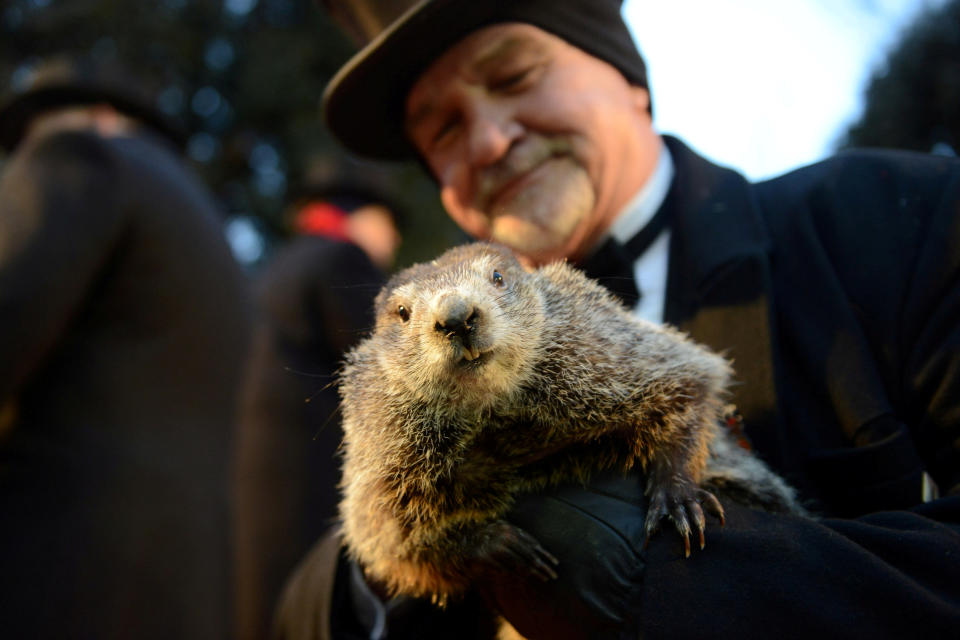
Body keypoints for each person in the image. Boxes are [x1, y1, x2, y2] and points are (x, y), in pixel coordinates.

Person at [274, 1, 960, 638]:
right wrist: (402, 553)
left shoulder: (897, 217)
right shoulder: (411, 346)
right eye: (443, 128)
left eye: (513, 74)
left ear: (629, 76)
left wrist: (671, 585)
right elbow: (292, 610)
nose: (486, 141)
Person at [0, 55, 253, 639]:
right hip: (189, 592)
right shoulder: (201, 221)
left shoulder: (81, 154)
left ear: (101, 115)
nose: (21, 158)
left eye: (30, 134)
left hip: (55, 570)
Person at [233, 179, 402, 640]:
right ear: (361, 218)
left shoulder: (279, 265)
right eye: (389, 226)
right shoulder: (342, 259)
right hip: (313, 482)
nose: (394, 241)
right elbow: (395, 365)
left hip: (255, 489)